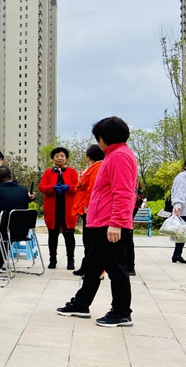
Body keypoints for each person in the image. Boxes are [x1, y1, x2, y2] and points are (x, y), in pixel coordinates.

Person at [57, 116, 138, 327]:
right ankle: (81, 303)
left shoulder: (119, 156)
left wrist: (116, 223)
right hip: (103, 221)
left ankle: (121, 312)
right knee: (93, 266)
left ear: (103, 138)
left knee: (116, 269)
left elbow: (123, 192)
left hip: (111, 223)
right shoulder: (115, 155)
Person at [0, 166, 34, 272]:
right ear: (11, 177)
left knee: (1, 227)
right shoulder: (23, 190)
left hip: (2, 230)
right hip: (23, 230)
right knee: (9, 228)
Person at [39, 147, 79, 269]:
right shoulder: (48, 172)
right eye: (57, 156)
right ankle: (52, 260)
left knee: (69, 236)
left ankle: (71, 260)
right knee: (52, 235)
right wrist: (53, 188)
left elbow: (78, 187)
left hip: (68, 209)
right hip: (53, 209)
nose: (59, 158)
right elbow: (42, 187)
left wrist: (69, 187)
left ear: (66, 158)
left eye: (62, 156)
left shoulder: (72, 172)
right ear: (53, 158)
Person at [72, 144, 105, 277]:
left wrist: (87, 207)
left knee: (91, 241)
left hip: (91, 210)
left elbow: (92, 190)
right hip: (87, 209)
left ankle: (94, 270)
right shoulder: (92, 169)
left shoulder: (97, 168)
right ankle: (87, 266)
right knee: (88, 241)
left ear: (88, 156)